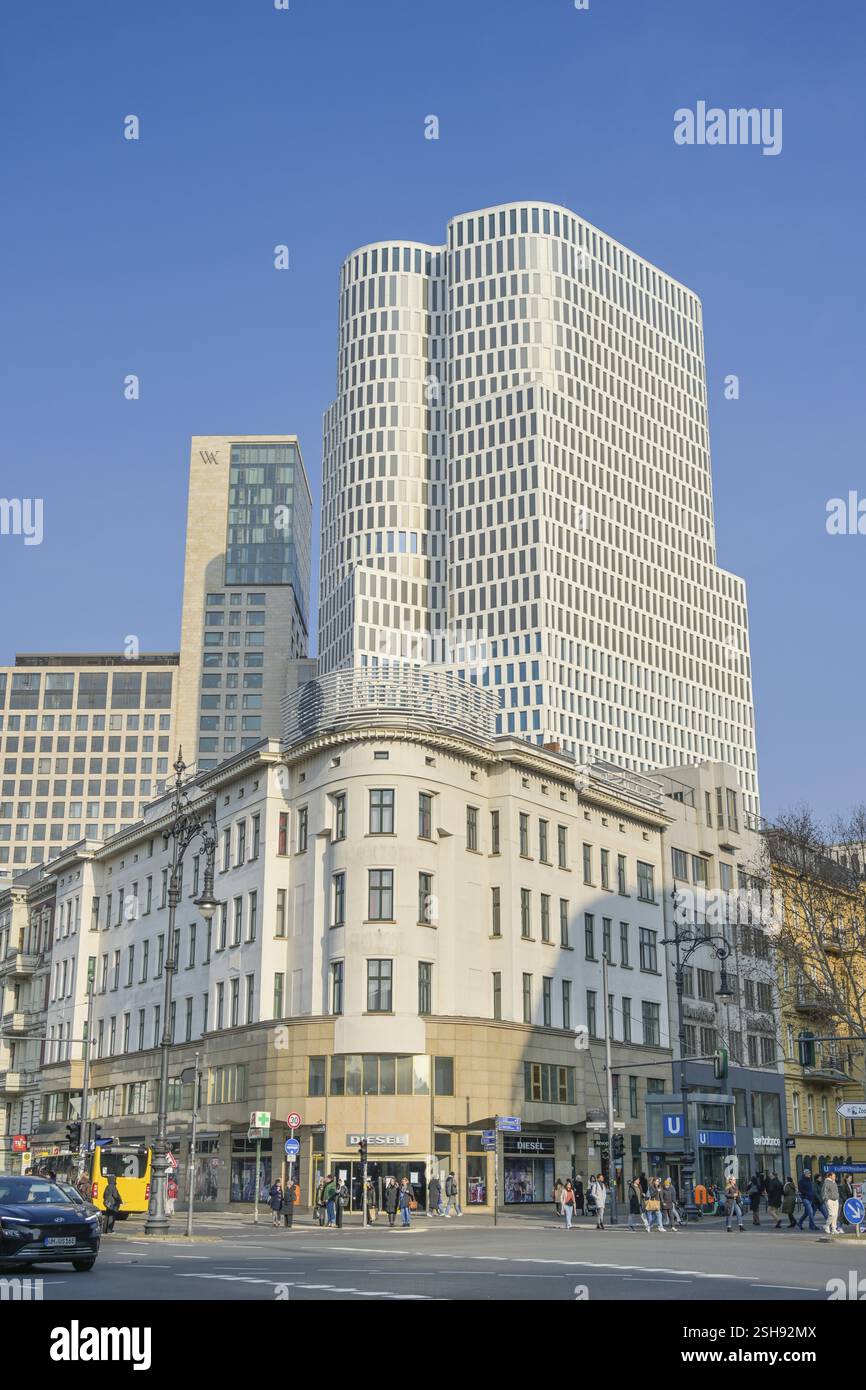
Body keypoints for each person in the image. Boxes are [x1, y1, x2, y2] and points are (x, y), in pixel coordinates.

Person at [822, 1170, 841, 1234]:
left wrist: (837, 1197)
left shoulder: (834, 1182)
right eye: (834, 1176)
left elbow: (836, 1191)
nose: (835, 1177)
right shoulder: (826, 1182)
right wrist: (826, 1199)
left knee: (835, 1215)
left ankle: (833, 1228)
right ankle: (826, 1225)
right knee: (831, 1214)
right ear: (830, 1176)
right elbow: (824, 1191)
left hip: (835, 1200)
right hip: (829, 1200)